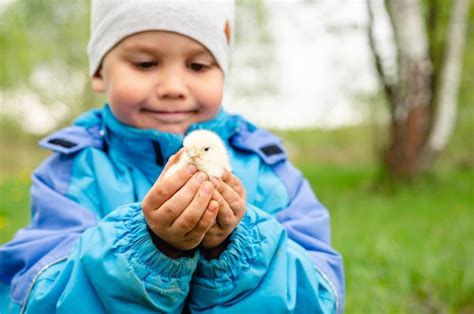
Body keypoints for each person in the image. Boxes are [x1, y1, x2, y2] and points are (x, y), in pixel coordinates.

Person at [0, 1, 345, 313]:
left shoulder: (268, 171)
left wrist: (230, 250)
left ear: (222, 72)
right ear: (99, 72)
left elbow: (320, 296)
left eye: (197, 65)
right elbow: (32, 298)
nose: (173, 86)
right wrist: (150, 248)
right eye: (146, 63)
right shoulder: (71, 174)